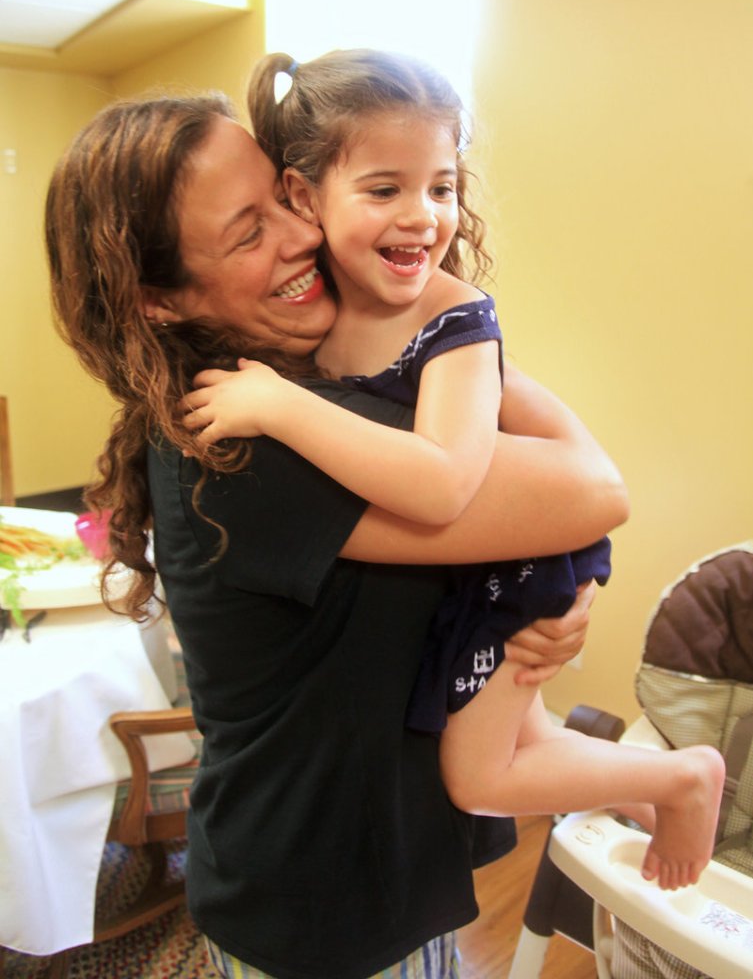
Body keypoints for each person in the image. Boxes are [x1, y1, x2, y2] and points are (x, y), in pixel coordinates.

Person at [46, 91, 627, 979]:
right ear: (159, 301)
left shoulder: (303, 383)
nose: (301, 235)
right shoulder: (246, 439)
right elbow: (592, 489)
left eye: (285, 199)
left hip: (364, 872)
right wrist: (453, 313)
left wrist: (524, 622)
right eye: (247, 233)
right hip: (323, 905)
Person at [181, 50, 725, 894]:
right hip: (484, 564)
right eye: (384, 189)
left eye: (440, 187)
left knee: (479, 775)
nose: (423, 217)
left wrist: (284, 410)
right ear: (302, 195)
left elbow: (442, 484)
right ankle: (651, 797)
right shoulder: (322, 298)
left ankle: (680, 778)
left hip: (519, 565)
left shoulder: (454, 320)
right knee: (527, 743)